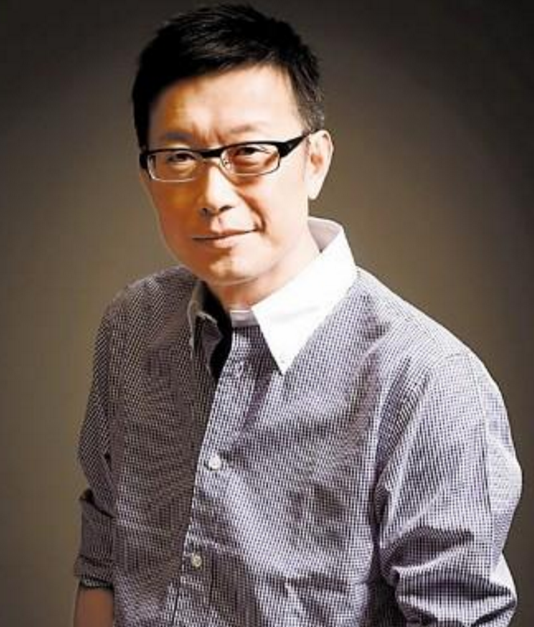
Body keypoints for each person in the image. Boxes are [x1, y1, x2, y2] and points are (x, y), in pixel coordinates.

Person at [72, 4, 522, 626]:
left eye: (250, 152)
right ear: (149, 175)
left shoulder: (427, 382)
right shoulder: (132, 323)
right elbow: (104, 558)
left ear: (315, 161)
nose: (212, 196)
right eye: (179, 157)